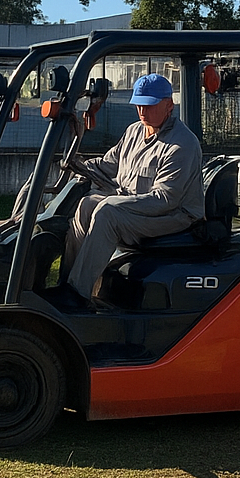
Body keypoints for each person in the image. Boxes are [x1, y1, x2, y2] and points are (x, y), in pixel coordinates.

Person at [55, 72, 204, 308]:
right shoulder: (135, 131)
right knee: (86, 204)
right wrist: (76, 168)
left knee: (107, 213)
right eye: (138, 105)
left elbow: (165, 199)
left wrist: (115, 203)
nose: (142, 111)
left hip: (174, 216)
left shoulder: (182, 143)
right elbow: (107, 165)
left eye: (149, 105)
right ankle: (66, 286)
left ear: (169, 105)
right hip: (137, 207)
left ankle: (77, 295)